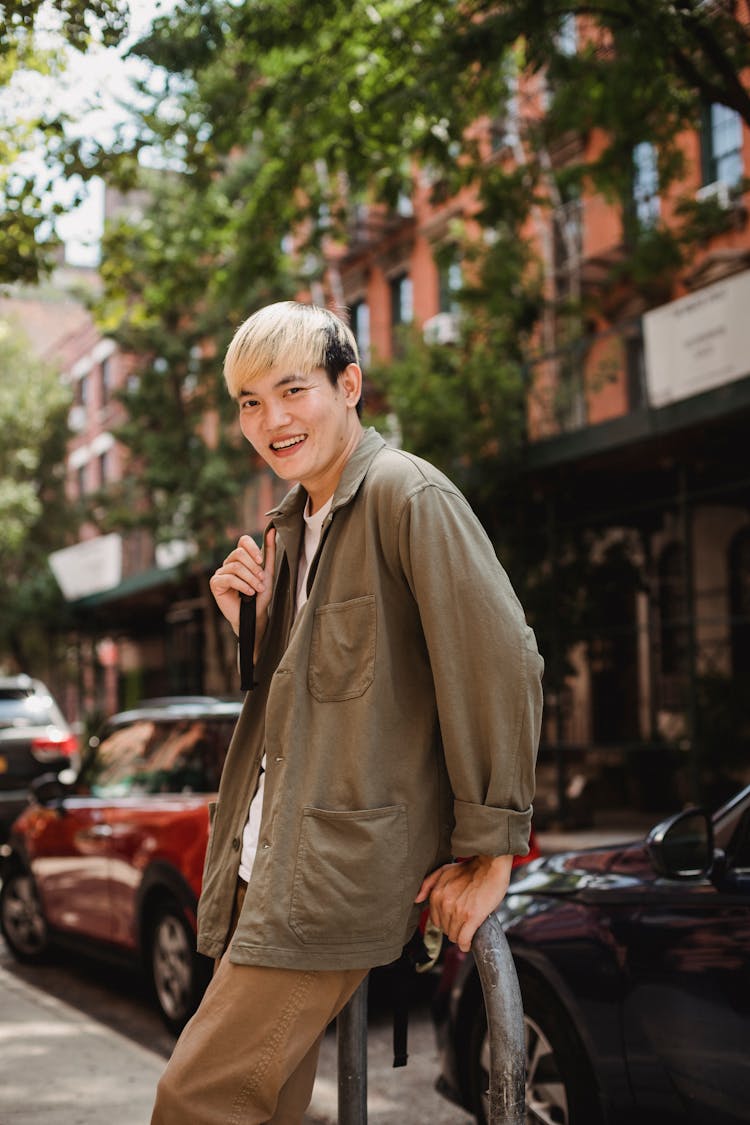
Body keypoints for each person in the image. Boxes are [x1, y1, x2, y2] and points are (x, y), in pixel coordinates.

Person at [151, 300, 543, 1125]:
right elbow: (322, 694)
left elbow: (503, 660)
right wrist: (248, 629)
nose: (272, 419)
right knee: (268, 1107)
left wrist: (491, 847)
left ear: (350, 383)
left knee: (197, 1099)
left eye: (293, 390)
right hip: (265, 866)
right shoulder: (291, 524)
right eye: (251, 401)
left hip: (333, 877)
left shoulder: (409, 495)